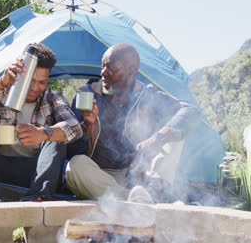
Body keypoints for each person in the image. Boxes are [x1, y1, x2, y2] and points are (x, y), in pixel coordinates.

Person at [65, 43, 201, 203]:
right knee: (74, 166)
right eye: (102, 66)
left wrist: (157, 139)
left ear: (131, 71)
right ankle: (136, 202)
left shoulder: (148, 95)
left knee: (174, 137)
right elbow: (70, 151)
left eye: (110, 68)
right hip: (98, 177)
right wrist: (87, 126)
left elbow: (191, 112)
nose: (103, 72)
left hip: (137, 176)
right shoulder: (87, 95)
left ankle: (152, 191)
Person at [0, 43, 82, 203]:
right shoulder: (5, 90)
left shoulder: (52, 97)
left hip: (36, 170)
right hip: (1, 165)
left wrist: (42, 133)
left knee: (57, 139)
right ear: (22, 74)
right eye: (31, 80)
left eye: (42, 82)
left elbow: (75, 127)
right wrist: (2, 82)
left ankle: (37, 197)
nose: (36, 87)